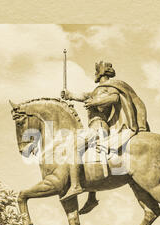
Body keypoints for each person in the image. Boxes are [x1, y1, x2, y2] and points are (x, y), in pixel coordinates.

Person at [60, 61, 150, 214]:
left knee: (74, 145)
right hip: (95, 126)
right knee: (89, 155)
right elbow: (83, 96)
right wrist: (69, 95)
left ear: (100, 74)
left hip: (99, 126)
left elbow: (114, 99)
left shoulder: (111, 88)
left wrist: (96, 101)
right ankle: (92, 197)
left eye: (96, 71)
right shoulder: (97, 91)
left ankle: (76, 185)